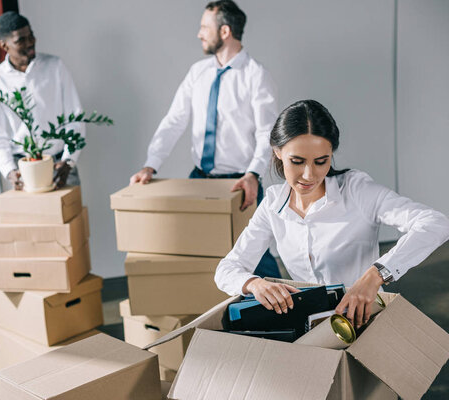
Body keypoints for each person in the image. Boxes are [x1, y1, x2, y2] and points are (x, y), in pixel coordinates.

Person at [214, 99, 449, 330]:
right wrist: (253, 283)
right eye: (297, 161)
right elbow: (227, 269)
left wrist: (377, 274)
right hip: (309, 326)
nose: (309, 175)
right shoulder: (273, 204)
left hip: (366, 321)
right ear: (277, 152)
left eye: (321, 161)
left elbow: (435, 223)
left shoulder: (357, 191)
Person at [129, 0, 280, 278]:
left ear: (224, 31)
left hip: (240, 183)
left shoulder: (256, 76)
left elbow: (267, 134)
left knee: (255, 258)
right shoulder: (198, 73)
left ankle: (286, 314)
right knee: (197, 252)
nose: (199, 34)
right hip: (199, 178)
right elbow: (174, 121)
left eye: (204, 27)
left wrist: (252, 174)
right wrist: (151, 165)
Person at [0, 11, 83, 190]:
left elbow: (74, 117)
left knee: (72, 217)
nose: (30, 43)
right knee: (31, 219)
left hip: (60, 164)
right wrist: (9, 171)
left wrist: (69, 160)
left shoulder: (55, 67)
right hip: (23, 170)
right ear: (4, 45)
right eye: (20, 40)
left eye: (31, 35)